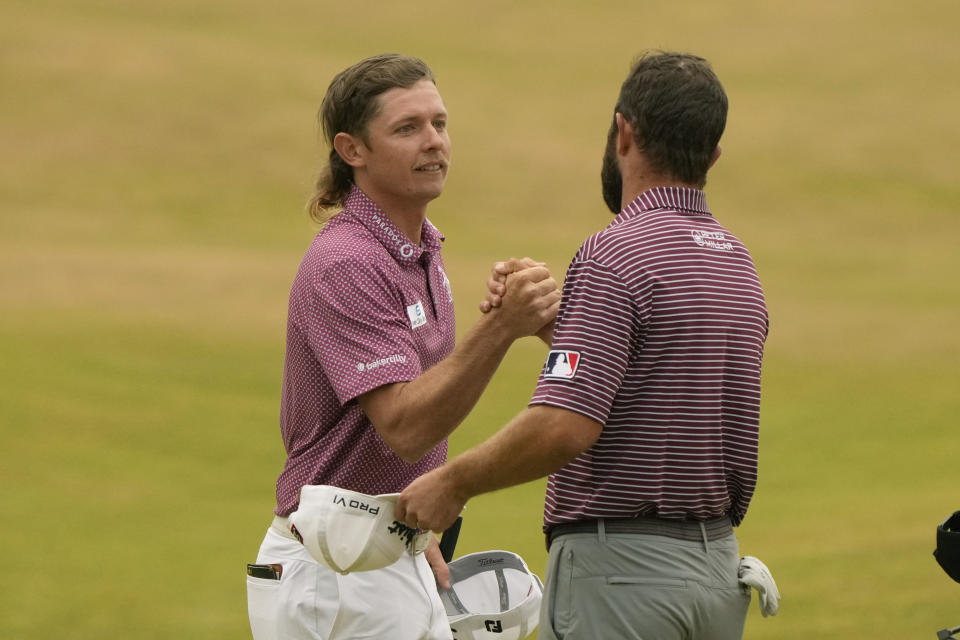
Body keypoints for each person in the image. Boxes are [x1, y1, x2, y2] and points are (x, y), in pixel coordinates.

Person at [397, 51, 770, 640]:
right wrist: (560, 325)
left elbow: (566, 425)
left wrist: (453, 482)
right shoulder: (735, 262)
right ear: (713, 155)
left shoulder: (614, 253)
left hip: (623, 581)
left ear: (624, 131)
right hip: (716, 575)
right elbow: (662, 375)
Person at [246, 53, 560, 640]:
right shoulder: (349, 262)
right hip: (332, 576)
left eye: (439, 124)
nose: (433, 142)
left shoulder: (420, 251)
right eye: (407, 128)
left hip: (385, 556)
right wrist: (500, 329)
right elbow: (405, 426)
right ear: (352, 150)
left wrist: (415, 544)